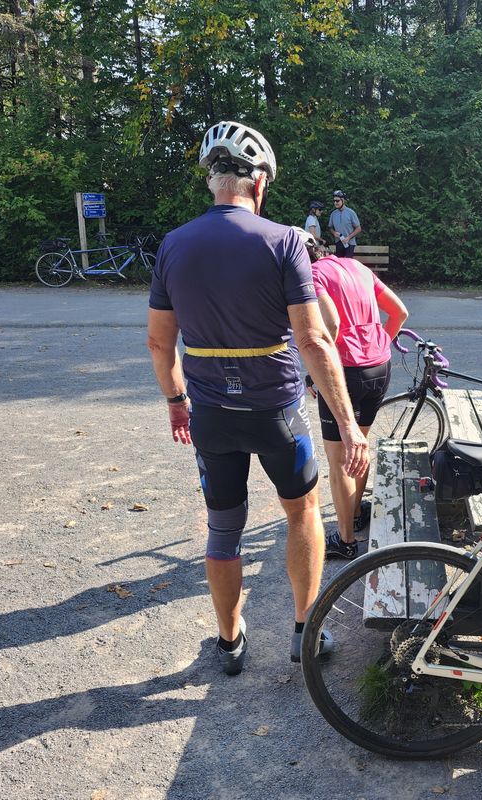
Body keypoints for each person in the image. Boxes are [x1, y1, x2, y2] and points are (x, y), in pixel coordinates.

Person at [146, 121, 369, 676]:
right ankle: (305, 632)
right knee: (302, 513)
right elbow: (314, 340)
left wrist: (176, 401)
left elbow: (159, 342)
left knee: (223, 528)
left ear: (212, 182)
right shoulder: (285, 241)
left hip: (211, 416)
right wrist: (349, 425)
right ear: (260, 183)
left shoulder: (173, 245)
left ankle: (229, 641)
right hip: (277, 414)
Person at [293, 227, 408, 560]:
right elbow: (400, 312)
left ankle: (345, 541)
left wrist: (318, 372)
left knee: (340, 459)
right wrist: (379, 344)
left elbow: (329, 324)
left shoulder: (311, 276)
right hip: (379, 367)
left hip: (345, 371)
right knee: (359, 444)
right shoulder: (356, 266)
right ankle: (355, 514)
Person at [328, 190, 361, 258]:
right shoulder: (333, 214)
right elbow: (330, 227)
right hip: (338, 243)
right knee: (339, 263)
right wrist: (334, 233)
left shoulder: (351, 213)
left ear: (343, 200)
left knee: (347, 263)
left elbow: (358, 228)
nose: (335, 203)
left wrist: (348, 238)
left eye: (337, 201)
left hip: (349, 243)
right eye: (334, 201)